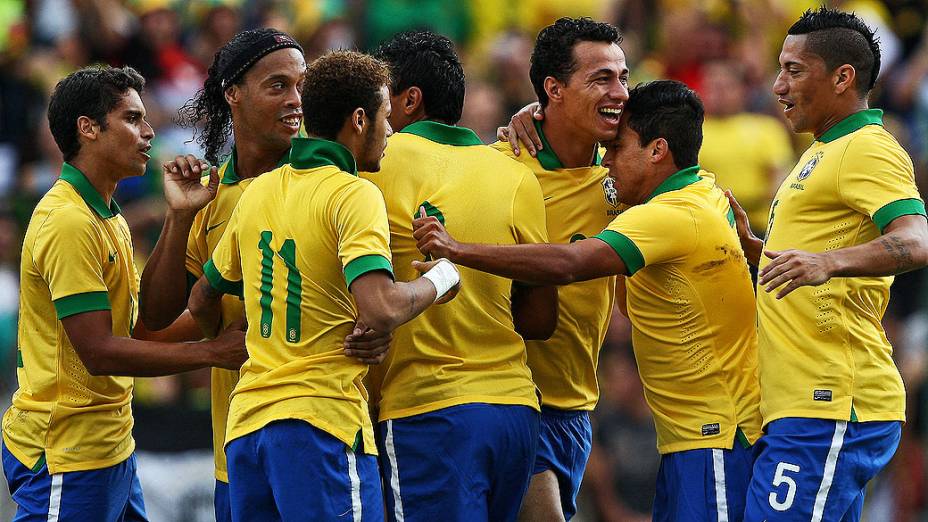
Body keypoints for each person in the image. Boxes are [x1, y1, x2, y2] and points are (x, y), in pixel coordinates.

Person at [415, 80, 763, 522]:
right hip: (681, 434)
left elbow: (570, 263)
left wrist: (457, 249)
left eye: (616, 149)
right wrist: (544, 114)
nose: (607, 162)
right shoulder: (705, 190)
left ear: (657, 151)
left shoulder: (669, 214)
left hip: (716, 435)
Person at [188, 50, 461, 521]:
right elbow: (378, 307)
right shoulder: (353, 194)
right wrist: (442, 277)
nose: (391, 131)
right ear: (359, 120)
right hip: (321, 423)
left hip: (247, 429)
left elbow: (201, 298)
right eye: (385, 118)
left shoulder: (258, 192)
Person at [136, 28, 393, 521]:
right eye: (279, 86)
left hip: (334, 430)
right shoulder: (214, 195)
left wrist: (378, 326)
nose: (297, 100)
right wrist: (179, 217)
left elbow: (378, 289)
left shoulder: (348, 177)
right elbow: (157, 315)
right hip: (237, 448)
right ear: (233, 93)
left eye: (302, 85)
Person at [2, 65, 246, 521]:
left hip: (111, 447)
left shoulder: (108, 215)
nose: (150, 131)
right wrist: (212, 351)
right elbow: (101, 352)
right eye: (132, 119)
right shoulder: (68, 221)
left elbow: (139, 331)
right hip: (66, 453)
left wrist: (181, 221)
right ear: (88, 129)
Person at [725, 8, 928, 521]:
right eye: (779, 68)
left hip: (834, 401)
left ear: (843, 77)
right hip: (805, 403)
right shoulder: (823, 150)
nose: (777, 85)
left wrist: (827, 262)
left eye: (794, 70)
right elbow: (815, 251)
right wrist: (759, 252)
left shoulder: (867, 149)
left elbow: (915, 240)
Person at [360, 31, 556, 522]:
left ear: (408, 100)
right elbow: (538, 317)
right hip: (514, 411)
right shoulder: (515, 175)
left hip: (429, 411)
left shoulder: (372, 166)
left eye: (379, 102)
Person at [495, 17, 630, 520]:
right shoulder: (500, 168)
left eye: (622, 76)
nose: (619, 91)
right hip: (511, 400)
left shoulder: (625, 173)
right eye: (601, 78)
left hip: (575, 405)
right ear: (553, 89)